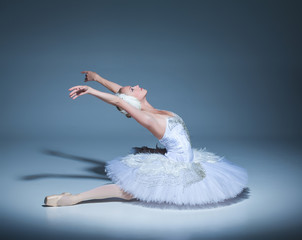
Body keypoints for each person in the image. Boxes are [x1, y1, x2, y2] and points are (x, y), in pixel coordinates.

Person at [44, 71, 248, 207]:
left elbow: (119, 93)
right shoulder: (148, 118)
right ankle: (74, 199)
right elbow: (119, 99)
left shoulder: (148, 109)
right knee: (129, 191)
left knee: (134, 191)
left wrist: (97, 78)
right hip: (178, 164)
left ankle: (73, 199)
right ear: (132, 100)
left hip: (183, 158)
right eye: (133, 89)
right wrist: (91, 91)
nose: (136, 85)